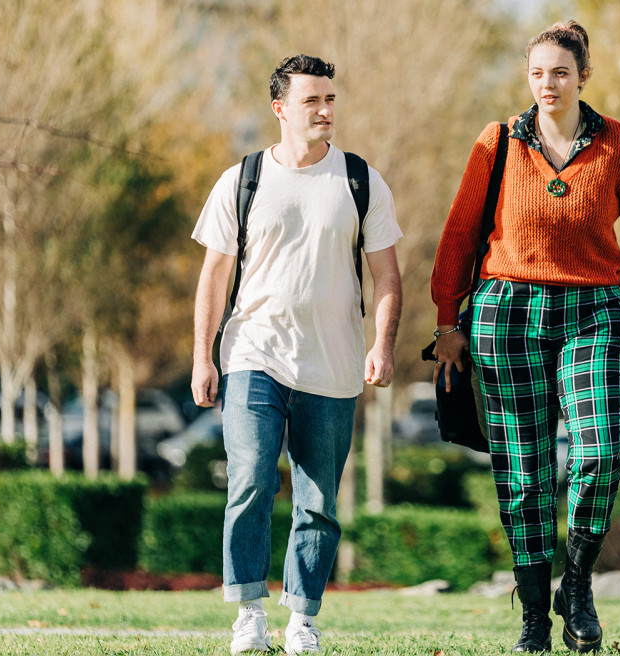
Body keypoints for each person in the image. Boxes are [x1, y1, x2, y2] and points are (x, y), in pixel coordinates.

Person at [430, 21, 620, 653]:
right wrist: (446, 322)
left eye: (560, 73)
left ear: (583, 75)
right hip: (506, 312)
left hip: (593, 311)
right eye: (537, 73)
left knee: (597, 456)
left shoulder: (618, 144)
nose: (547, 84)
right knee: (524, 472)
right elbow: (459, 236)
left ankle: (579, 583)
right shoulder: (500, 141)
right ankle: (536, 608)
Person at [190, 54, 402, 655]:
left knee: (318, 502)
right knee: (250, 478)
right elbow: (214, 275)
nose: (325, 110)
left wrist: (381, 346)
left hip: (333, 367)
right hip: (253, 353)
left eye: (330, 99)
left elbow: (387, 274)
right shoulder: (243, 179)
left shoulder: (361, 180)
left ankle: (302, 618)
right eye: (312, 101)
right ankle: (248, 614)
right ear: (281, 109)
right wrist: (204, 358)